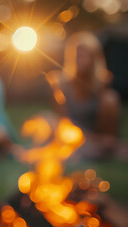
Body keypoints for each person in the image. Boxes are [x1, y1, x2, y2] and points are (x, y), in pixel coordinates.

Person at [46, 31, 125, 160]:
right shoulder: (60, 84)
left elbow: (109, 135)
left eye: (84, 55)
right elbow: (62, 121)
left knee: (110, 98)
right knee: (47, 119)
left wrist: (103, 141)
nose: (80, 60)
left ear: (94, 58)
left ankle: (102, 149)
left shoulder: (103, 85)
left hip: (98, 137)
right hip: (73, 136)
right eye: (77, 55)